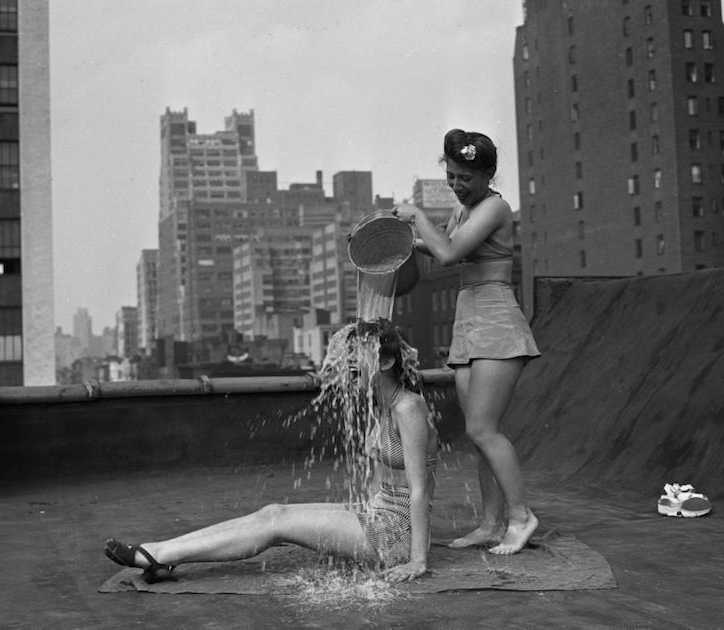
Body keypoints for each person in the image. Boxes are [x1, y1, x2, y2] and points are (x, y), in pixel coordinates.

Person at [104, 319, 440, 584]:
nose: (350, 359)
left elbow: (420, 489)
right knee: (272, 512)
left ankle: (158, 554)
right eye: (349, 351)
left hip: (395, 534)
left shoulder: (408, 408)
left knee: (278, 521)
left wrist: (417, 559)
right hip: (376, 513)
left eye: (359, 351)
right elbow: (381, 481)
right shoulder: (378, 405)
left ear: (386, 361)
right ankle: (165, 553)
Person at [392, 129, 540, 555]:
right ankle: (492, 523)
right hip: (468, 320)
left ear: (489, 174)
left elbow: (450, 253)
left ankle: (521, 516)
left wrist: (416, 214)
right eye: (452, 177)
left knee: (483, 428)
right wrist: (396, 238)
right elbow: (439, 247)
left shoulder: (495, 207)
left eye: (465, 178)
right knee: (478, 435)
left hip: (496, 321)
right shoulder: (464, 211)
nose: (458, 185)